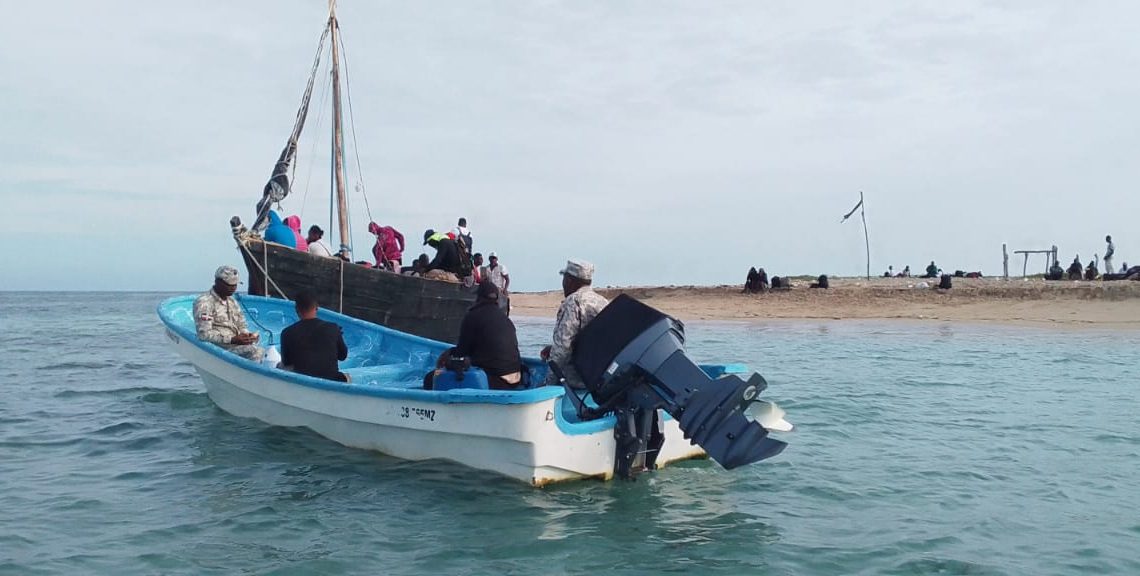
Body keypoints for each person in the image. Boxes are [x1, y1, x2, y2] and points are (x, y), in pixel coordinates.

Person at [433, 281, 522, 390]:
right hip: (516, 379)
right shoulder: (505, 319)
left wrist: (449, 353)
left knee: (430, 379)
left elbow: (462, 351)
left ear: (479, 298)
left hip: (495, 380)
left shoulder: (472, 316)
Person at [542, 259, 609, 388]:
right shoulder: (603, 301)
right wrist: (552, 349)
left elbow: (563, 347)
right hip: (597, 379)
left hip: (575, 382)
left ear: (569, 281)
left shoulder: (573, 302)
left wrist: (547, 384)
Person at [193, 266, 263, 362]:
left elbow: (241, 324)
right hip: (220, 350)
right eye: (229, 285)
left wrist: (248, 336)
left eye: (235, 285)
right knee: (255, 351)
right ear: (218, 282)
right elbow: (204, 335)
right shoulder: (205, 302)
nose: (233, 288)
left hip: (236, 346)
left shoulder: (232, 301)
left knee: (264, 351)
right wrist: (232, 339)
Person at [280, 291, 350, 382]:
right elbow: (343, 356)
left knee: (280, 366)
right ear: (317, 307)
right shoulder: (333, 328)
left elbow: (287, 363)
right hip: (332, 380)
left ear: (297, 310)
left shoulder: (287, 333)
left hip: (303, 382)